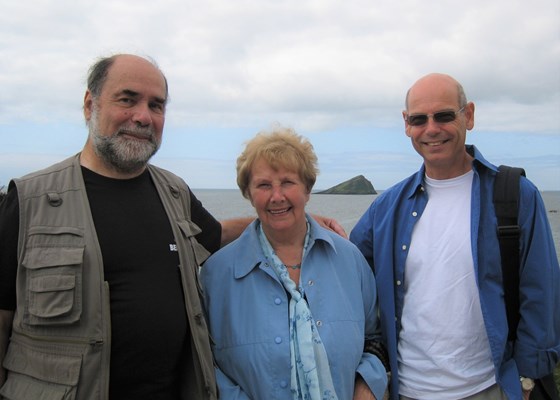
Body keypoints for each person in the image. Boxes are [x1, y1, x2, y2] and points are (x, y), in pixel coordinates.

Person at [0, 54, 345, 400]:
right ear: (90, 104)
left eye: (156, 105)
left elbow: (216, 235)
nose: (143, 116)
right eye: (127, 99)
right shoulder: (29, 201)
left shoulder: (173, 191)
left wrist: (292, 221)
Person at [350, 73, 560, 400]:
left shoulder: (517, 195)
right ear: (406, 124)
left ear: (469, 115)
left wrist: (528, 376)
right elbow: (347, 271)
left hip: (492, 389)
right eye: (419, 119)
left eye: (444, 115)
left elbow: (541, 290)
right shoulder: (385, 208)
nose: (431, 129)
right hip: (408, 391)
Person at [200, 127, 389, 400]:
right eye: (264, 185)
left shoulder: (350, 260)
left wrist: (366, 387)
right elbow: (207, 363)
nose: (277, 196)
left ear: (308, 189)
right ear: (249, 193)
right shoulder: (216, 275)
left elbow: (375, 338)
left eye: (288, 182)